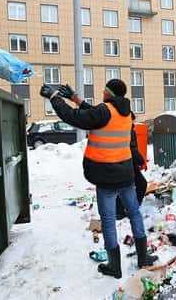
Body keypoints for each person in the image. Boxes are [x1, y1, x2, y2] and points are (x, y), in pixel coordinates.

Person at [40, 79, 157, 279]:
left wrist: (54, 97)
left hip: (106, 177)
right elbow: (95, 115)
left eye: (104, 90)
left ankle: (114, 266)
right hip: (126, 174)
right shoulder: (126, 112)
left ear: (109, 94)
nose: (102, 92)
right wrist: (76, 98)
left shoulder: (104, 111)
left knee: (109, 221)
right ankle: (143, 257)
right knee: (135, 214)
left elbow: (76, 117)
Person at [116, 112, 148, 220]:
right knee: (140, 184)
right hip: (126, 163)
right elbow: (132, 149)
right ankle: (129, 210)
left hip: (122, 162)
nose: (133, 122)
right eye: (132, 120)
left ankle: (121, 211)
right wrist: (141, 161)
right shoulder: (127, 130)